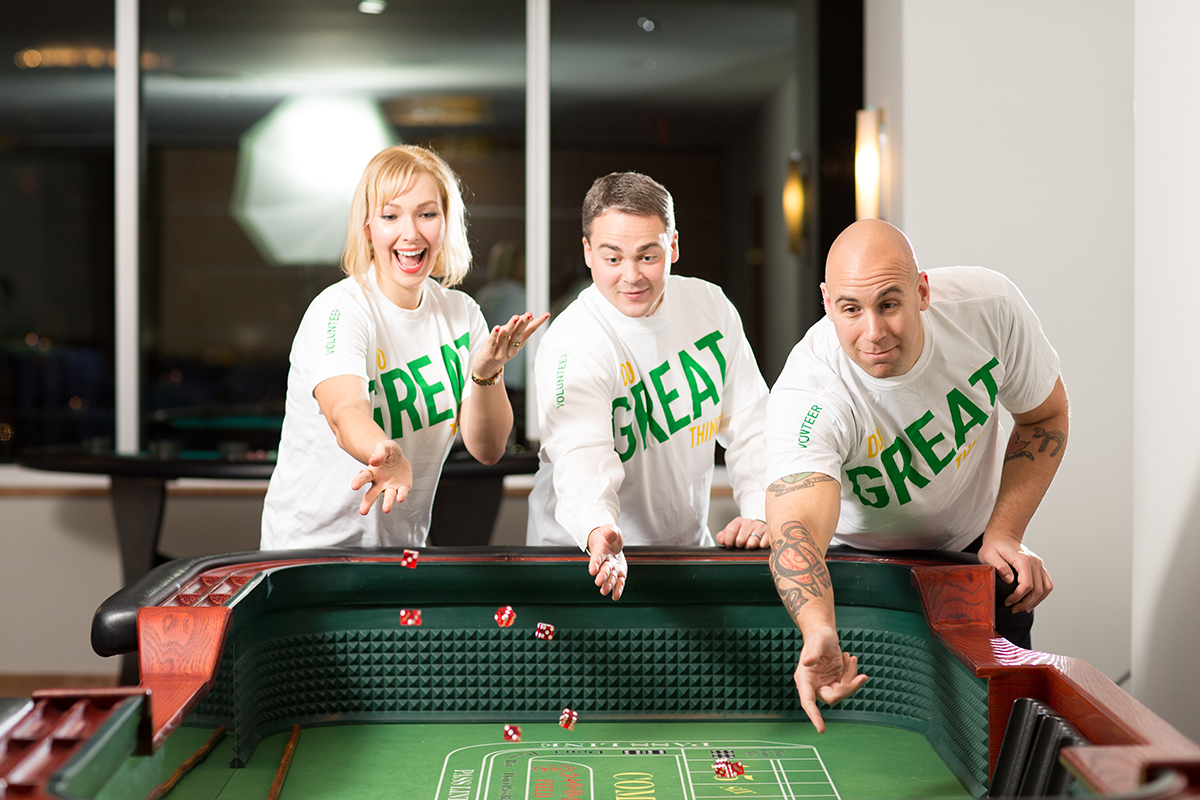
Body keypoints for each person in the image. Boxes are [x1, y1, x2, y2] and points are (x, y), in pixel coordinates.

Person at [765, 219, 1068, 732]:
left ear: (921, 290)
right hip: (859, 566)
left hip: (973, 548)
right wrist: (818, 629)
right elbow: (795, 531)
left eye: (889, 303)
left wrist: (1005, 532)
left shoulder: (989, 311)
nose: (874, 332)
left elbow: (1044, 417)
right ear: (826, 303)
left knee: (1002, 736)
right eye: (850, 309)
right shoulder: (810, 390)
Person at [261, 145, 547, 549]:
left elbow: (486, 450)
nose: (411, 233)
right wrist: (385, 453)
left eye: (427, 214)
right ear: (367, 228)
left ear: (446, 223)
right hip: (308, 556)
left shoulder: (462, 314)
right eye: (391, 215)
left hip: (402, 555)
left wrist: (485, 374)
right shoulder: (339, 311)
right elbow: (346, 413)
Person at [527, 171, 771, 600]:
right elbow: (581, 455)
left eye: (647, 255)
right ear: (587, 253)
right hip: (581, 562)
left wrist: (761, 511)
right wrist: (599, 527)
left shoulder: (710, 308)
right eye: (612, 257)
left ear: (673, 246)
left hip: (681, 559)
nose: (631, 276)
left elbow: (753, 425)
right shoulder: (572, 341)